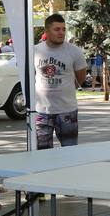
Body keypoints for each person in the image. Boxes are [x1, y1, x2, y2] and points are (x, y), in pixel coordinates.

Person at [33, 15, 88, 149]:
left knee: (70, 151)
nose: (61, 32)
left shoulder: (74, 51)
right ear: (46, 31)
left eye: (63, 29)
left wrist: (70, 87)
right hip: (42, 111)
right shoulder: (35, 51)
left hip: (67, 111)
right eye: (57, 29)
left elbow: (81, 76)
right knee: (42, 152)